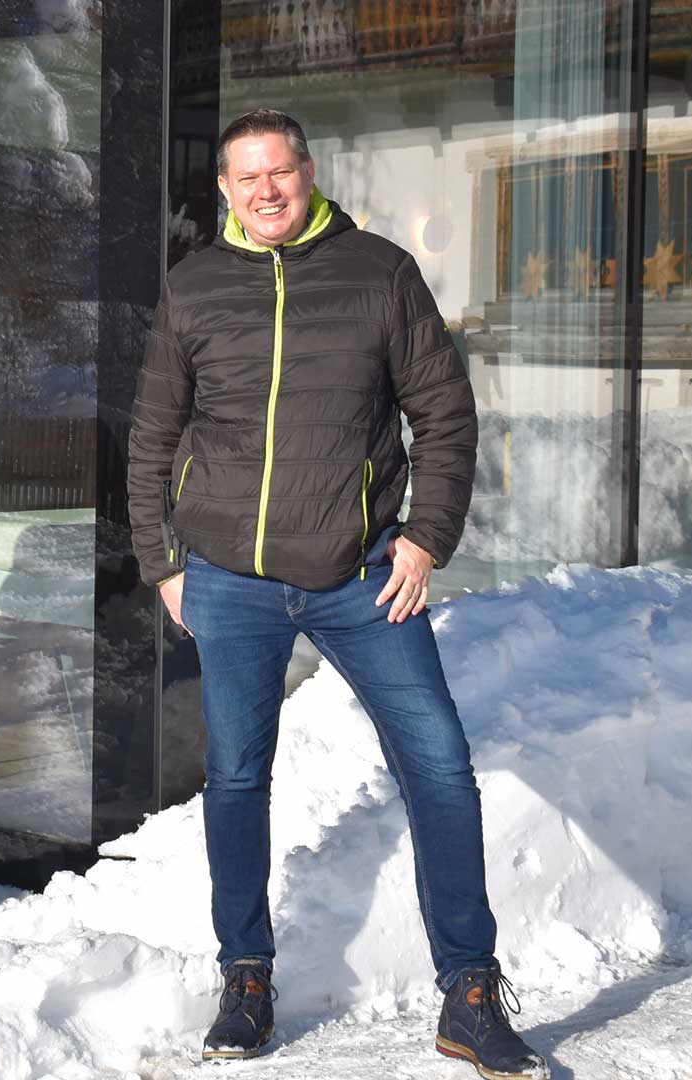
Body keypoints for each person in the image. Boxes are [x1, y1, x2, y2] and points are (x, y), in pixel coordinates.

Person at [126, 109, 545, 1079]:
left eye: (282, 171)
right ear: (223, 190)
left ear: (308, 174)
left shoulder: (379, 273)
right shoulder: (193, 291)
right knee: (235, 777)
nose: (266, 189)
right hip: (229, 578)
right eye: (247, 177)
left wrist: (427, 539)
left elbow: (445, 414)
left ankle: (470, 992)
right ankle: (245, 976)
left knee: (439, 766)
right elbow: (151, 436)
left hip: (363, 578)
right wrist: (164, 561)